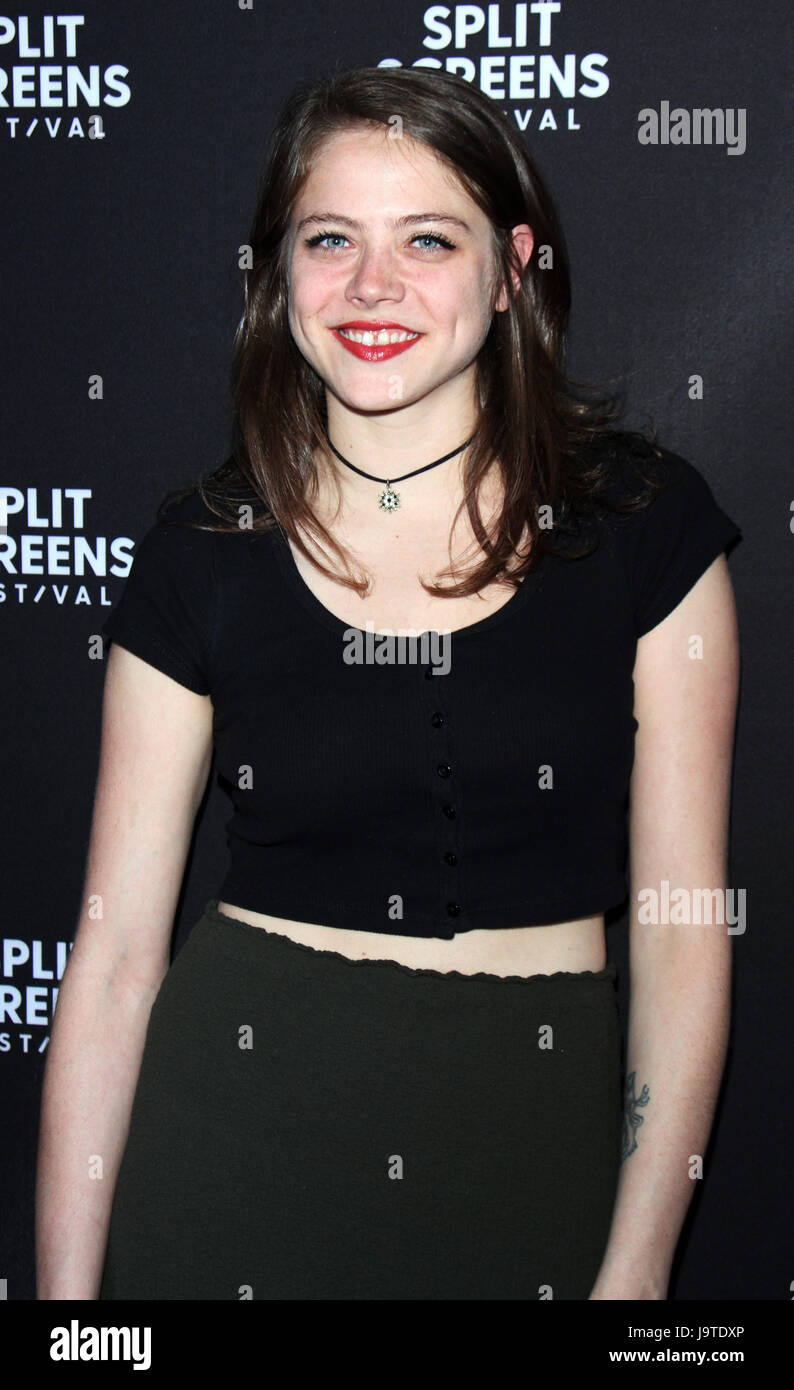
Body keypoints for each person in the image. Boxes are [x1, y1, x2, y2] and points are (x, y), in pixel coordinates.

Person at [35, 65, 741, 1301]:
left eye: (427, 238)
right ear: (277, 274)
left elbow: (682, 944)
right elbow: (109, 961)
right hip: (230, 1147)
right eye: (329, 239)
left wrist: (632, 1280)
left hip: (532, 1154)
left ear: (513, 266)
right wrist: (68, 1316)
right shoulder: (202, 548)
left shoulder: (641, 526)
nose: (371, 286)